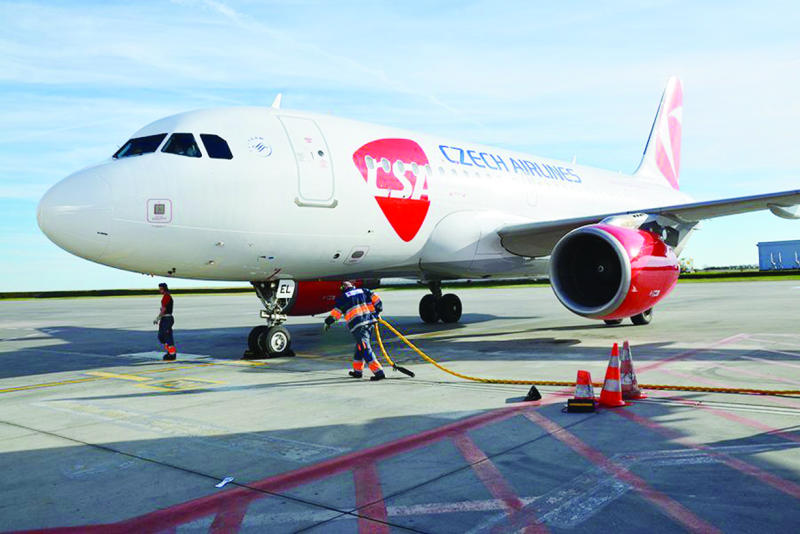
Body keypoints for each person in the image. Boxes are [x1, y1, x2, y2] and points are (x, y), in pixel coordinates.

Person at [323, 281, 385, 381]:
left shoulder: (343, 298)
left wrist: (328, 322)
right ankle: (357, 371)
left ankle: (379, 373)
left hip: (358, 326)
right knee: (360, 347)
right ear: (353, 286)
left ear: (343, 289)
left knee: (365, 348)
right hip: (370, 323)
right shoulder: (364, 291)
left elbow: (336, 313)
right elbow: (377, 300)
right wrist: (377, 311)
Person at [153, 283, 177, 361]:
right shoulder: (166, 296)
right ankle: (170, 352)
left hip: (167, 319)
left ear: (164, 289)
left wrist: (157, 318)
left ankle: (172, 354)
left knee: (165, 336)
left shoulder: (166, 297)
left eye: (160, 289)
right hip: (165, 319)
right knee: (163, 336)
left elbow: (163, 309)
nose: (159, 290)